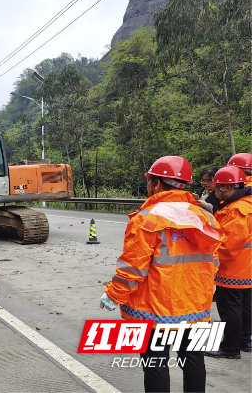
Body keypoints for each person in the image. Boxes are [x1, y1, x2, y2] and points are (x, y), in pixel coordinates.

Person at [100, 156, 223, 393]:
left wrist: (113, 295)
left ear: (155, 184)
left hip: (154, 308)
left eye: (150, 181)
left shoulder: (147, 218)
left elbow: (133, 267)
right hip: (195, 305)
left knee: (155, 364)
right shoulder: (205, 217)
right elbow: (213, 263)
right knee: (194, 361)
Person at [204, 165, 252, 359]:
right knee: (245, 306)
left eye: (216, 189)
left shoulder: (238, 209)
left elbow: (228, 244)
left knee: (230, 308)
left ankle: (230, 348)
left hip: (233, 269)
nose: (215, 193)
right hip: (246, 268)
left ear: (225, 188)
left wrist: (210, 262)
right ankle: (243, 342)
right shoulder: (245, 204)